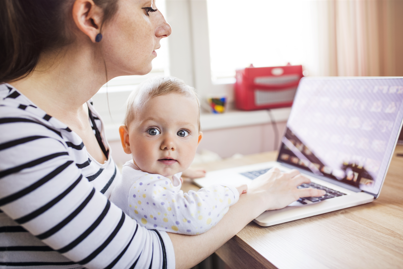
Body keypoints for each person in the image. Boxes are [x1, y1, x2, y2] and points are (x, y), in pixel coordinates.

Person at [0, 0, 326, 268]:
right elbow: (145, 261)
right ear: (90, 18)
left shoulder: (83, 111)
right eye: (147, 8)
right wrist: (260, 197)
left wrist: (169, 175)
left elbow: (108, 205)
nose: (164, 27)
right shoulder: (13, 128)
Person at [111, 77, 248, 235]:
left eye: (182, 133)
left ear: (197, 141)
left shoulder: (139, 173)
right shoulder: (142, 190)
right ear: (127, 140)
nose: (169, 144)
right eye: (153, 131)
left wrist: (178, 170)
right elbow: (194, 217)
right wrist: (227, 192)